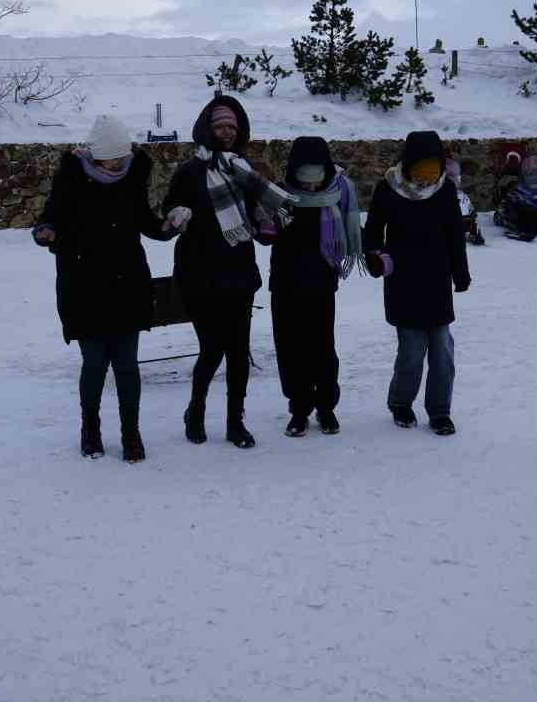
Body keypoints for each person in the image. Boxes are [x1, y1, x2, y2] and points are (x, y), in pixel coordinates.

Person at [33, 115, 186, 462]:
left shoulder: (132, 178)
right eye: (111, 158)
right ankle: (90, 430)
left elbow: (148, 223)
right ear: (96, 154)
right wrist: (46, 232)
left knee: (127, 365)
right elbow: (51, 218)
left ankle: (132, 433)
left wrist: (170, 226)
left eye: (122, 156)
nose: (118, 163)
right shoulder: (71, 178)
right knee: (94, 364)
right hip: (83, 285)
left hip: (126, 284)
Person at [165, 95, 294, 449]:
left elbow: (258, 216)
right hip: (198, 275)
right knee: (212, 349)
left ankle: (235, 422)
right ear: (206, 129)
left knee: (238, 353)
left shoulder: (244, 169)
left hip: (238, 273)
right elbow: (170, 204)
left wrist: (268, 226)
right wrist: (177, 213)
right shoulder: (190, 171)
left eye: (231, 127)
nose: (226, 132)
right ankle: (196, 411)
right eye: (219, 126)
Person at [363, 130, 471, 435]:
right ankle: (400, 403)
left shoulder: (445, 190)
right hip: (403, 280)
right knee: (411, 350)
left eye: (432, 172)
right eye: (421, 172)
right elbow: (372, 231)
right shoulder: (388, 189)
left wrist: (460, 273)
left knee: (442, 351)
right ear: (409, 165)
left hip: (437, 279)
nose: (427, 180)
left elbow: (455, 235)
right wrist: (376, 257)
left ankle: (440, 411)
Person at [265, 136, 361, 438]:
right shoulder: (279, 194)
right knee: (291, 350)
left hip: (321, 283)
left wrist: (374, 252)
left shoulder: (338, 192)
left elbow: (354, 230)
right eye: (304, 181)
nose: (310, 187)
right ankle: (299, 409)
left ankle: (326, 407)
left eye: (315, 180)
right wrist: (265, 225)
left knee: (323, 349)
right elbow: (266, 232)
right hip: (286, 283)